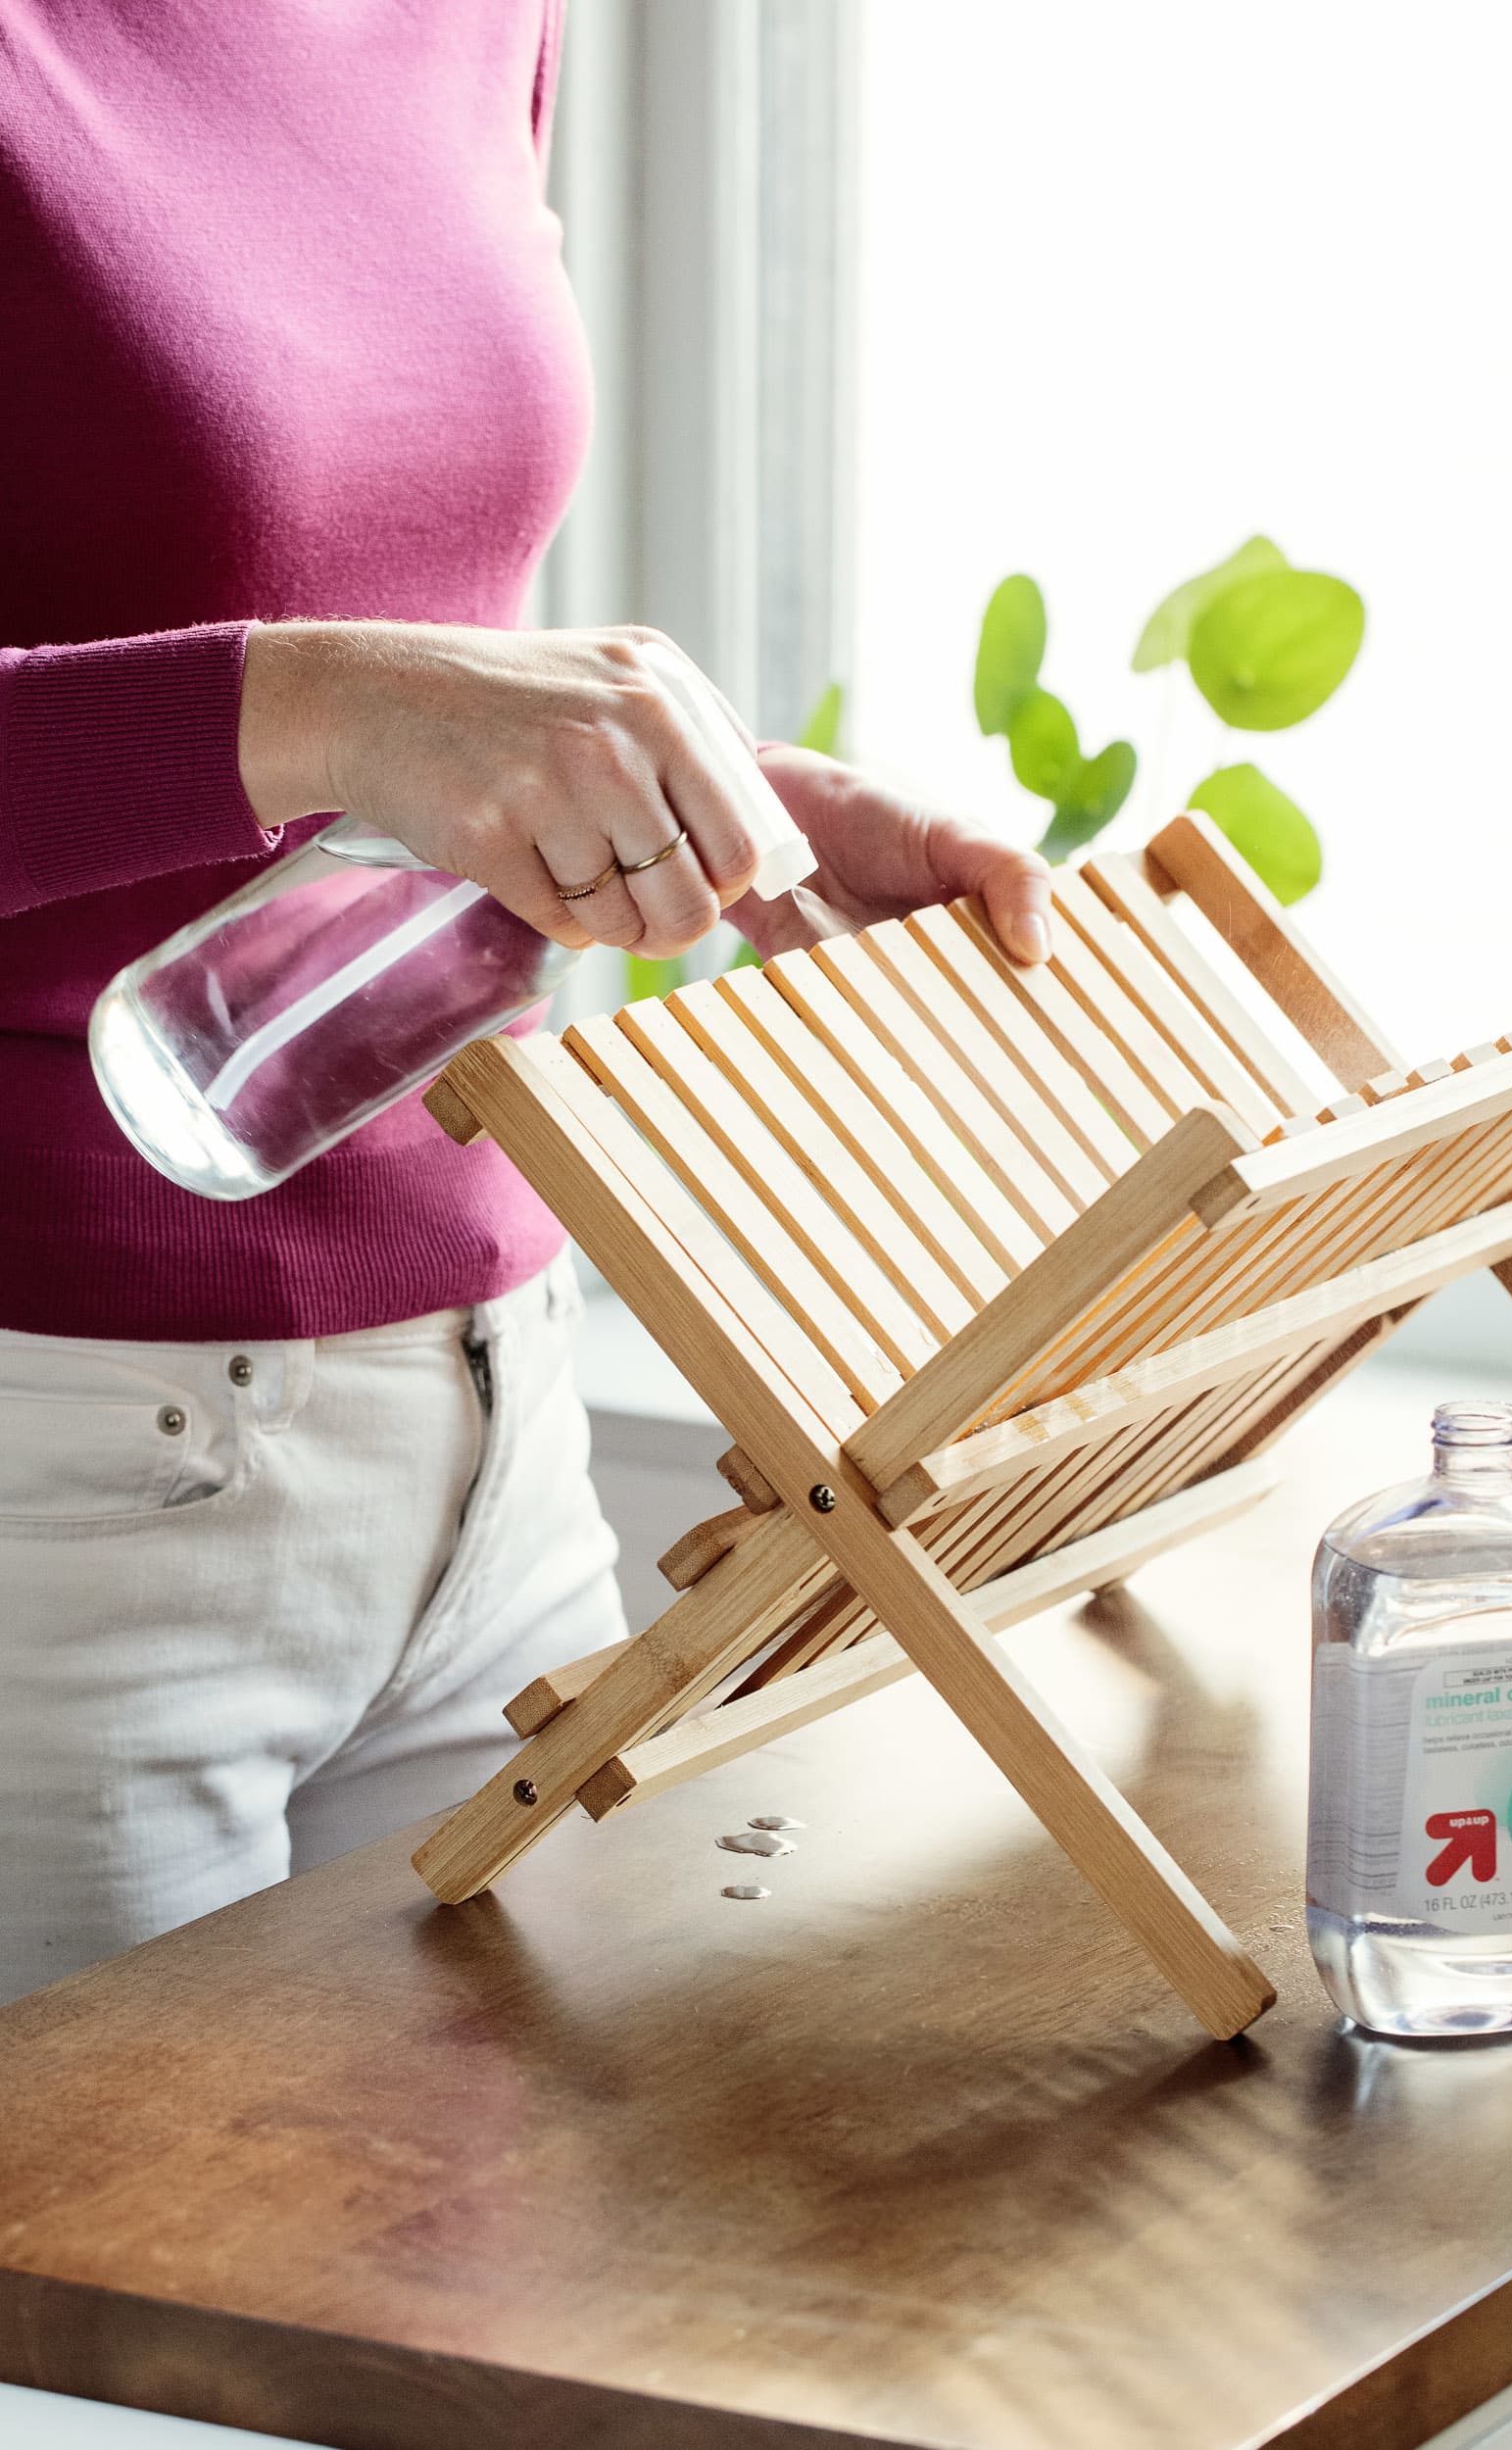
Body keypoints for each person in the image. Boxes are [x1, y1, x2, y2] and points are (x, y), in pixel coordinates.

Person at [0, 1, 1051, 2006]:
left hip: (491, 1422)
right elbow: (319, 683)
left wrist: (709, 805)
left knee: (479, 2283)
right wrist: (317, 704)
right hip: (49, 1491)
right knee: (94, 2324)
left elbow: (393, 623)